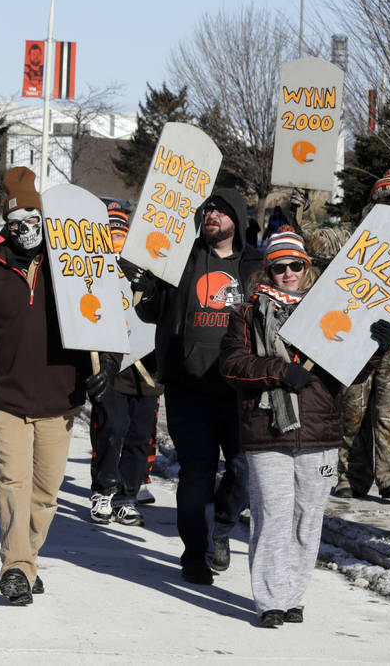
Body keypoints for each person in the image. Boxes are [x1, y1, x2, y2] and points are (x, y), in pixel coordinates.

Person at [0, 167, 116, 605]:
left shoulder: (72, 267)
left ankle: (28, 558)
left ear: (46, 223)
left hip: (60, 397)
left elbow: (107, 317)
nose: (26, 231)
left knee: (45, 492)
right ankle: (16, 566)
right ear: (7, 226)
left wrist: (108, 365)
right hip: (3, 395)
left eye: (33, 222)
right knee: (12, 482)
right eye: (17, 223)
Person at [219, 229, 390, 627]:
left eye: (295, 265)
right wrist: (280, 371)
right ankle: (269, 602)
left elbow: (347, 371)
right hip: (268, 434)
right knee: (272, 517)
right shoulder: (247, 312)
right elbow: (232, 366)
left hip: (319, 437)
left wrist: (374, 350)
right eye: (278, 267)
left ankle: (293, 596)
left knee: (307, 518)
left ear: (307, 267)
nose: (287, 273)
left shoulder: (332, 308)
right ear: (267, 271)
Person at [293, 170, 390, 501]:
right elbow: (316, 243)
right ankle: (349, 476)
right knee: (352, 408)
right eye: (383, 199)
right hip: (353, 335)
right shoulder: (355, 234)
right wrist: (302, 213)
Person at [132, 187, 262, 584]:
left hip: (241, 390)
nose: (212, 216)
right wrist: (145, 284)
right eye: (208, 210)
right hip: (189, 388)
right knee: (196, 474)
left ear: (237, 221)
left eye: (221, 212)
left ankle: (220, 528)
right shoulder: (182, 259)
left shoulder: (256, 264)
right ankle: (194, 554)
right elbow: (150, 311)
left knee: (243, 470)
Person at [89, 203, 160, 526]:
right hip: (113, 365)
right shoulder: (98, 272)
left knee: (139, 434)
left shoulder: (153, 274)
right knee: (112, 427)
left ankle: (127, 495)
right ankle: (104, 489)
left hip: (148, 368)